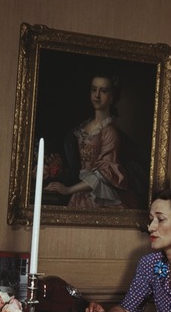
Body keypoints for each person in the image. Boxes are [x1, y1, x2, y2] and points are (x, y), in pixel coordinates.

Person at [44, 71, 138, 209]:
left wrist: (69, 190)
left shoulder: (110, 132)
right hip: (80, 193)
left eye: (103, 91)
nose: (97, 95)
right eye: (94, 90)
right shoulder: (82, 127)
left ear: (112, 97)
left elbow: (105, 174)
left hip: (101, 196)